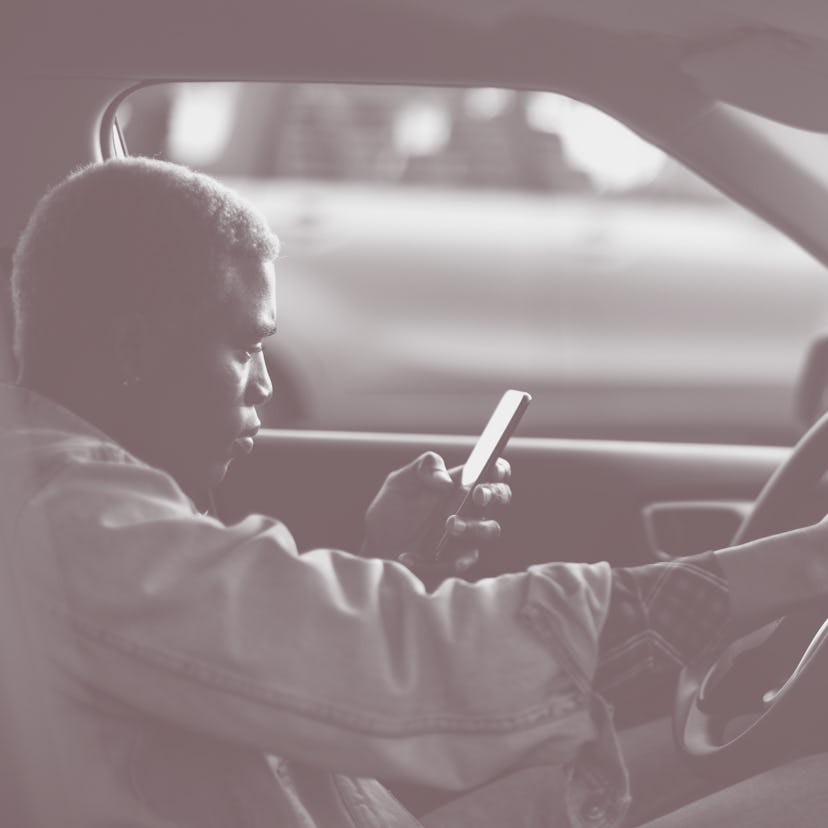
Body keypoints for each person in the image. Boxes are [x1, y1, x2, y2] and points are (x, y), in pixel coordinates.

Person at [2, 156, 828, 828]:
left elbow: (290, 665)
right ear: (133, 352)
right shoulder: (79, 528)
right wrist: (805, 562)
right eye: (245, 347)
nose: (262, 383)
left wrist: (389, 561)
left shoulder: (71, 505)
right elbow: (418, 653)